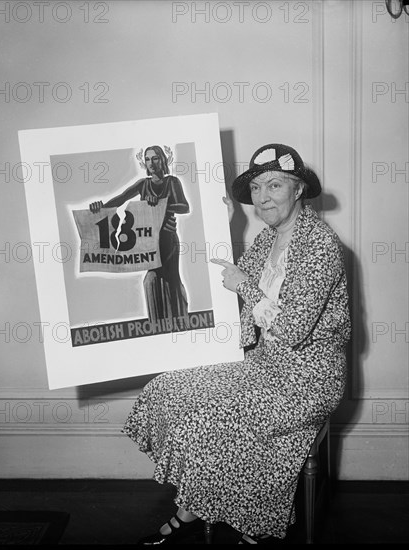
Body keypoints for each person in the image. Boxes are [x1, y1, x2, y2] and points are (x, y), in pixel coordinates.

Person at [123, 143, 351, 544]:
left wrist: (244, 285)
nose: (263, 198)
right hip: (264, 364)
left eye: (275, 185)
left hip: (307, 380)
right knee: (170, 390)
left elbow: (293, 327)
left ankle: (232, 518)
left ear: (298, 190)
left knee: (206, 418)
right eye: (257, 188)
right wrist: (219, 219)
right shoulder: (269, 238)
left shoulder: (320, 245)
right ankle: (197, 501)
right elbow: (226, 279)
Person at [89, 145, 190, 329]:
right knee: (151, 279)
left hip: (168, 239)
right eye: (148, 159)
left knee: (171, 279)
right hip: (150, 241)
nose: (151, 163)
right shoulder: (143, 184)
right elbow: (120, 199)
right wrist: (101, 207)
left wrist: (161, 205)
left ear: (163, 160)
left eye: (155, 158)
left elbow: (184, 206)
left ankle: (179, 322)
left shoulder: (172, 182)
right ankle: (157, 325)